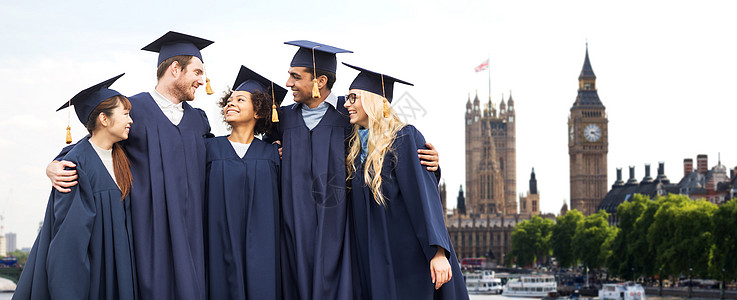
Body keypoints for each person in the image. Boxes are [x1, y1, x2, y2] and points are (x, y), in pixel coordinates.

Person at [45, 31, 214, 300]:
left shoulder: (199, 121)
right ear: (174, 69)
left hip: (192, 231)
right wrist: (55, 163)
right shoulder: (132, 109)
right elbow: (92, 140)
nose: (201, 80)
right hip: (147, 230)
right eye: (197, 71)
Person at [269, 40, 442, 300]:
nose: (288, 83)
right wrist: (272, 152)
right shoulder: (282, 119)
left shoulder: (347, 116)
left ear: (321, 81)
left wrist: (433, 164)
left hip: (343, 235)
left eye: (295, 76)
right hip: (296, 232)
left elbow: (393, 150)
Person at [342, 63, 469, 300]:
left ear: (373, 102)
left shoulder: (404, 137)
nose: (346, 103)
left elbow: (423, 196)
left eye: (352, 97)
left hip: (406, 258)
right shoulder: (356, 147)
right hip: (372, 257)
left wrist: (438, 252)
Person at [14, 74, 137, 300]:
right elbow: (68, 247)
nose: (131, 120)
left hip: (119, 273)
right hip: (94, 282)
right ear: (104, 119)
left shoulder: (122, 158)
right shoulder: (74, 167)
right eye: (126, 114)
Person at [205, 65, 285, 300]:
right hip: (218, 244)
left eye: (240, 99)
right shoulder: (209, 148)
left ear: (259, 110)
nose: (231, 103)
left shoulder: (272, 155)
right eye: (229, 100)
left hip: (263, 247)